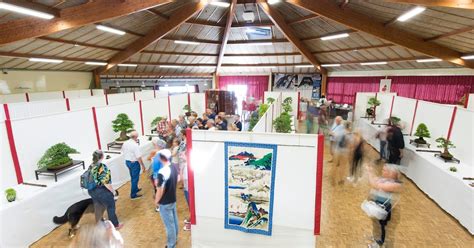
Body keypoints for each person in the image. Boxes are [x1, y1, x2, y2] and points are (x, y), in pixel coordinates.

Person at [366, 162, 403, 248]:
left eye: (385, 170)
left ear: (391, 174)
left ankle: (379, 243)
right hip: (377, 206)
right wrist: (370, 172)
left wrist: (369, 173)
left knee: (381, 227)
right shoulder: (383, 179)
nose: (382, 171)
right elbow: (374, 180)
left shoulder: (394, 184)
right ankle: (376, 237)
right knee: (376, 224)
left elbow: (375, 185)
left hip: (384, 209)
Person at [88, 150, 123, 229]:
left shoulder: (91, 165)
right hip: (101, 191)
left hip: (91, 190)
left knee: (98, 207)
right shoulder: (102, 167)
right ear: (102, 157)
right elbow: (106, 183)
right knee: (110, 207)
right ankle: (115, 225)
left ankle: (100, 224)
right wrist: (113, 192)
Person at [155, 149, 179, 248]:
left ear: (161, 158)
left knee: (169, 225)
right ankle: (175, 239)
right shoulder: (173, 166)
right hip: (172, 197)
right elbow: (178, 179)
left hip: (165, 202)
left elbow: (160, 190)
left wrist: (157, 201)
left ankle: (171, 245)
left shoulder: (162, 172)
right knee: (174, 220)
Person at [121, 131, 145, 199]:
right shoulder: (135, 145)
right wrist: (143, 165)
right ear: (136, 137)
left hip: (127, 162)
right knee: (135, 178)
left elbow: (123, 150)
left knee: (132, 177)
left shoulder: (125, 143)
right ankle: (133, 195)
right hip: (134, 163)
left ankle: (136, 188)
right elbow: (138, 157)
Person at [149, 139, 167, 212]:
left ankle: (159, 206)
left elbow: (155, 168)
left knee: (159, 191)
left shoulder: (158, 155)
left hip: (159, 176)